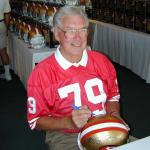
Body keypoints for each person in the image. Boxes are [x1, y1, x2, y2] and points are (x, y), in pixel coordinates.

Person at [27, 6, 129, 150]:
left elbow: (112, 97)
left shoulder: (102, 61)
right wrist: (69, 122)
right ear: (56, 33)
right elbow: (35, 121)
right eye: (70, 30)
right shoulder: (41, 73)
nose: (78, 37)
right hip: (65, 133)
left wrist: (114, 116)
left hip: (103, 124)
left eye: (82, 30)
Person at [0, 0, 12, 81]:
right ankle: (8, 75)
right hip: (1, 24)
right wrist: (6, 28)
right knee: (3, 50)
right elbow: (7, 15)